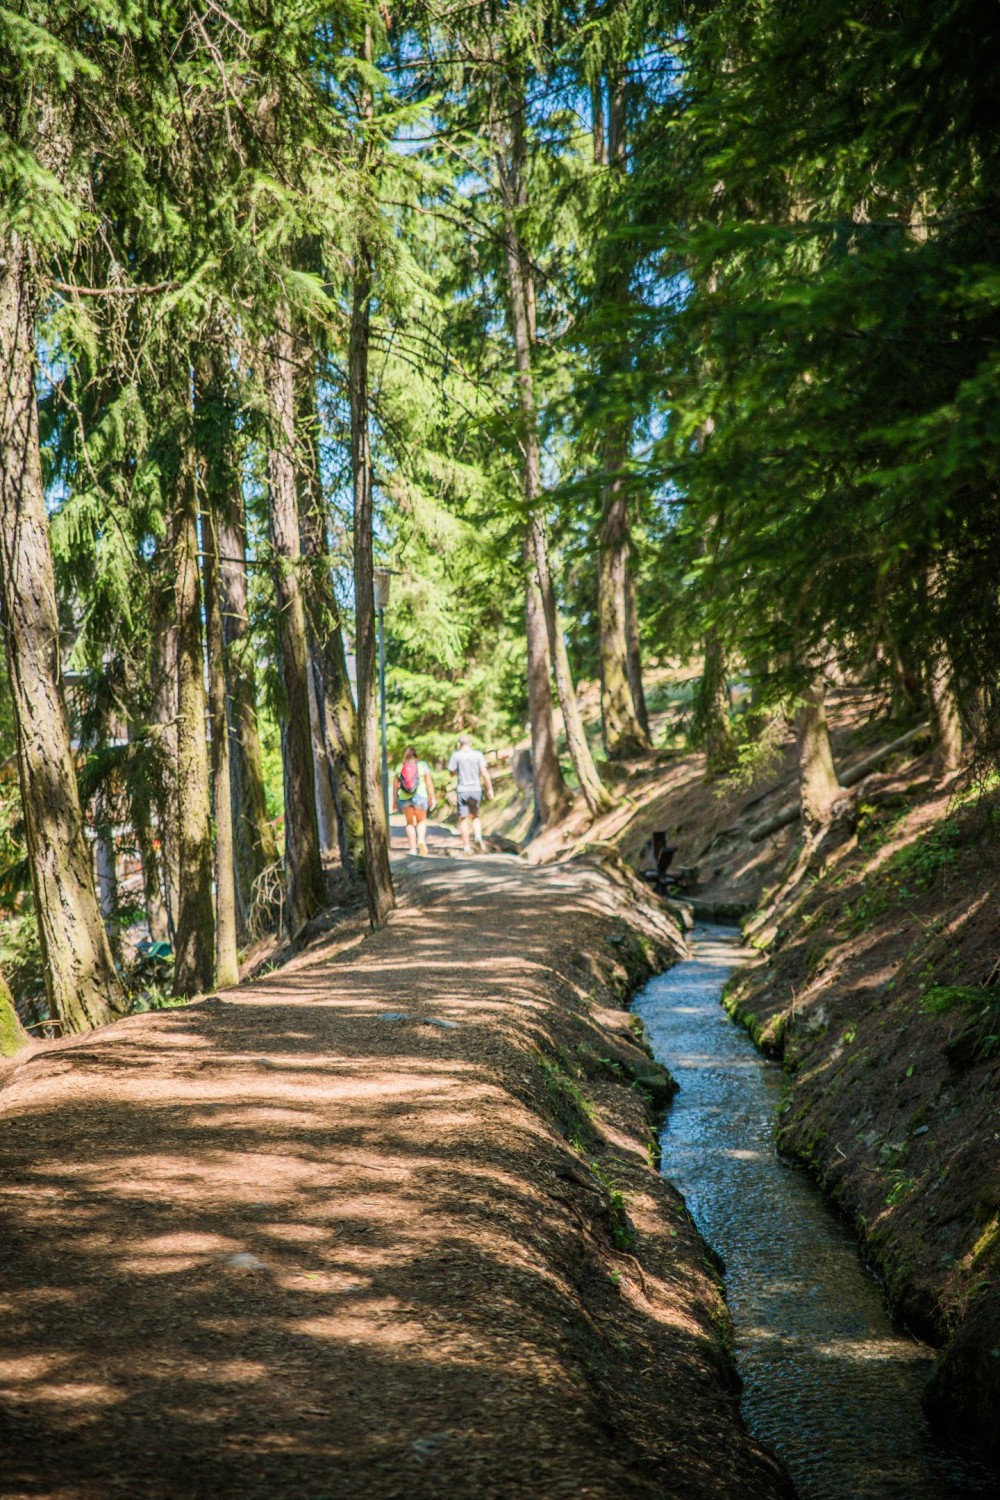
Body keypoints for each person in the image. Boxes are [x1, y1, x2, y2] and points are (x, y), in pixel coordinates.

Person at [448, 733, 493, 854]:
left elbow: (451, 772)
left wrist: (459, 771)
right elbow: (484, 773)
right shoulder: (478, 755)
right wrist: (489, 789)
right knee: (475, 816)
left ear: (459, 745)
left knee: (463, 819)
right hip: (476, 789)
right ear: (470, 744)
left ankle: (467, 846)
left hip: (462, 790)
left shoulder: (456, 756)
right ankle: (478, 836)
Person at [392, 747, 436, 856]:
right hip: (420, 796)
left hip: (404, 798)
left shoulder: (400, 767)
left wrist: (394, 801)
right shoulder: (422, 765)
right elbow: (429, 783)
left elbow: (395, 787)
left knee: (409, 823)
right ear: (416, 755)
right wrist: (432, 797)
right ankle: (421, 840)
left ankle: (412, 849)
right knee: (421, 821)